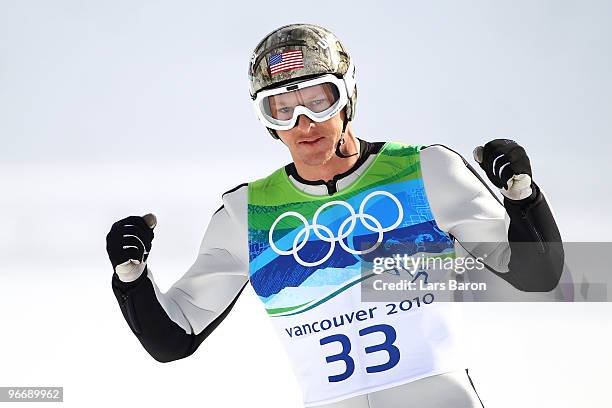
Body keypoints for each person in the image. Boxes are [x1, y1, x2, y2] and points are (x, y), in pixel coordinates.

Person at [106, 23, 564, 408]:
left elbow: (538, 273)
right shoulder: (245, 215)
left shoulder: (426, 171)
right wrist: (132, 281)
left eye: (318, 100)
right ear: (267, 121)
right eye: (282, 109)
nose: (303, 122)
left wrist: (523, 199)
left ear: (347, 99)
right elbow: (173, 338)